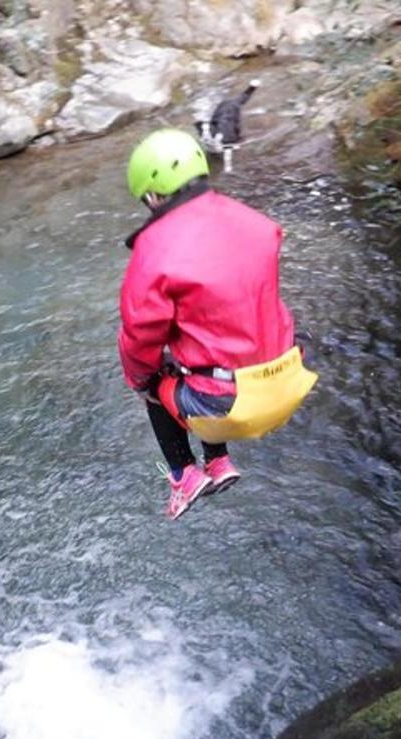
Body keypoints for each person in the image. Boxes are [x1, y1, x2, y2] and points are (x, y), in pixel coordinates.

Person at [119, 128, 317, 520]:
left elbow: (139, 332)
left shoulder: (156, 249)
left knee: (152, 380)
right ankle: (219, 463)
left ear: (154, 196)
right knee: (203, 358)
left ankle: (183, 476)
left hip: (227, 406)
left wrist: (140, 382)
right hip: (289, 380)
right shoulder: (256, 223)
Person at [194, 79, 260, 173]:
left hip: (231, 113)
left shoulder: (227, 140)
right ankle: (251, 88)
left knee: (235, 132)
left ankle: (251, 89)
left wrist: (228, 166)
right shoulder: (207, 130)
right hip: (223, 109)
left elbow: (228, 151)